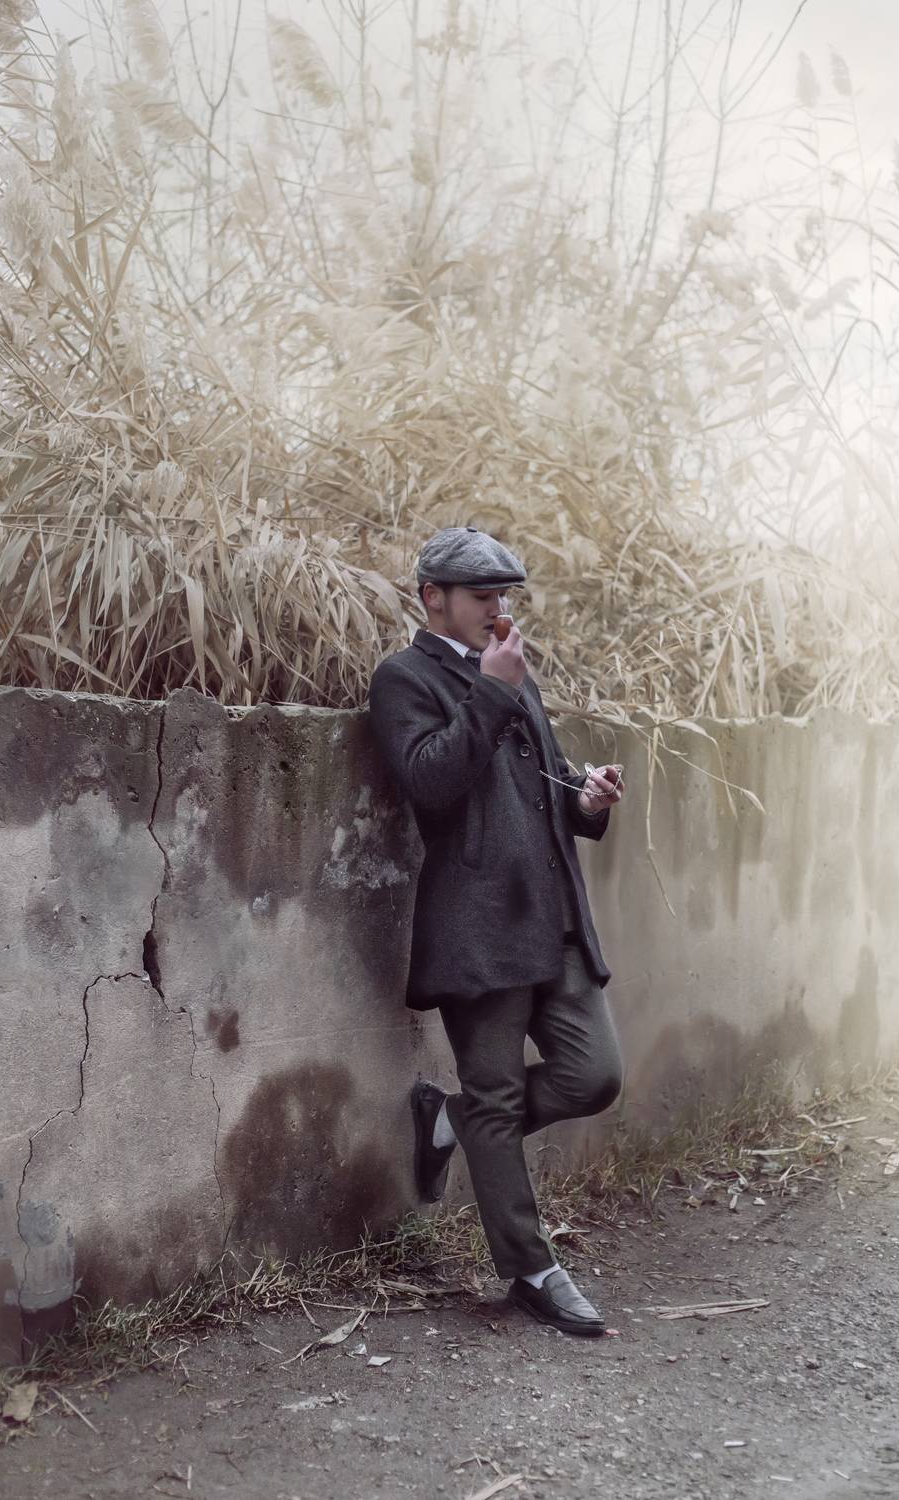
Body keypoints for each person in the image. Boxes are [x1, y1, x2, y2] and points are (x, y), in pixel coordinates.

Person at [368, 526, 626, 1336]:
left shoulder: (508, 672)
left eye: (504, 596)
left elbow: (540, 787)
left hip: (553, 921)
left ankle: (450, 1120)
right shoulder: (403, 678)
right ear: (432, 598)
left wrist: (585, 798)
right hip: (479, 933)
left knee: (594, 1077)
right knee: (497, 1095)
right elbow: (431, 784)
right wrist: (491, 692)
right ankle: (531, 1270)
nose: (497, 609)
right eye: (482, 596)